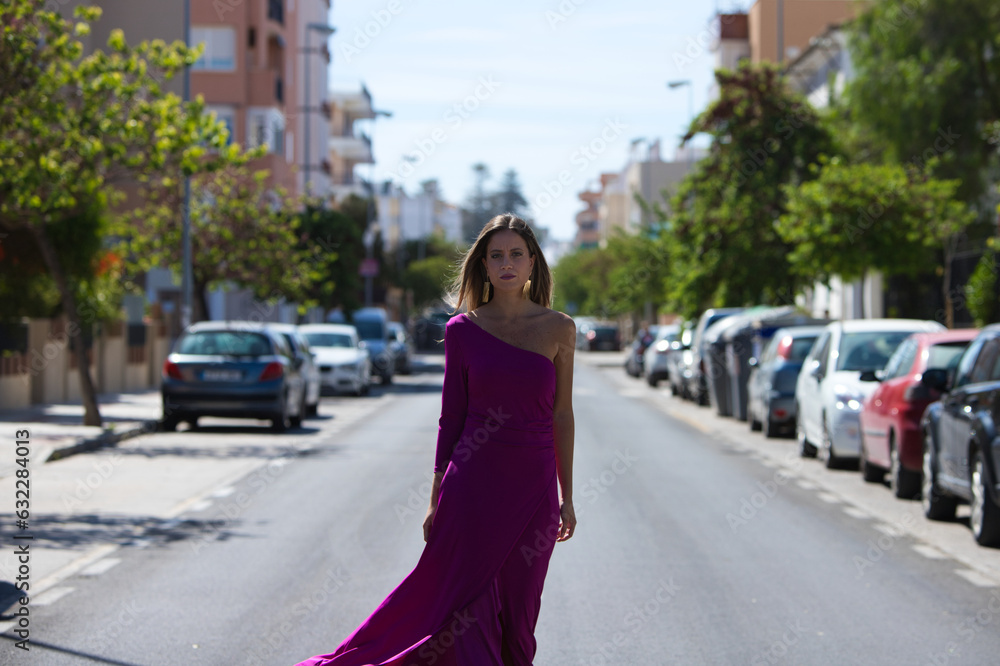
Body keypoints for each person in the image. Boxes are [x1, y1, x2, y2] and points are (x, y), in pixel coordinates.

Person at [293, 214, 577, 666]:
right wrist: (434, 498)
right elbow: (453, 418)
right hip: (472, 491)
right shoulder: (461, 330)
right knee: (461, 613)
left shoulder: (559, 328)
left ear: (532, 263)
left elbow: (562, 414)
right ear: (484, 265)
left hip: (535, 491)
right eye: (497, 255)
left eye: (516, 255)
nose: (507, 264)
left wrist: (568, 495)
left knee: (521, 619)